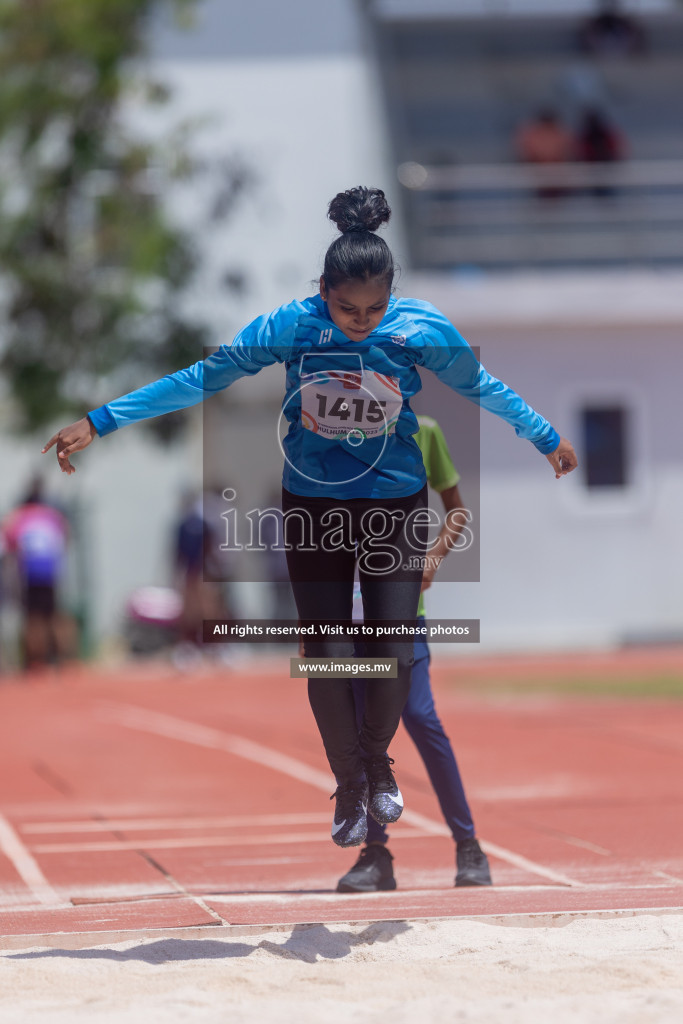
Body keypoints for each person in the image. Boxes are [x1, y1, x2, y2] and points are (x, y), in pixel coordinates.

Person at [42, 186, 577, 848]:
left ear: (392, 295)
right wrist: (101, 420)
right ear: (322, 289)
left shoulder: (418, 328)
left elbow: (482, 387)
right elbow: (203, 377)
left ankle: (376, 765)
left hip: (393, 500)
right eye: (346, 307)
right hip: (314, 505)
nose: (360, 321)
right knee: (325, 650)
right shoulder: (291, 326)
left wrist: (543, 435)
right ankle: (349, 784)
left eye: (374, 309)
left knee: (390, 649)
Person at [338, 415, 490, 892]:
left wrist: (434, 558)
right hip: (349, 611)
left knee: (421, 717)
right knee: (365, 730)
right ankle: (376, 855)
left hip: (403, 606)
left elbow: (457, 510)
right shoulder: (329, 433)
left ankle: (468, 845)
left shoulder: (424, 431)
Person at [1, 477, 74, 671]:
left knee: (33, 617)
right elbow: (66, 536)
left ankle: (37, 660)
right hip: (51, 568)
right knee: (53, 614)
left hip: (31, 569)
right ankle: (63, 658)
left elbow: (9, 544)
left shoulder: (18, 516)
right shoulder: (53, 515)